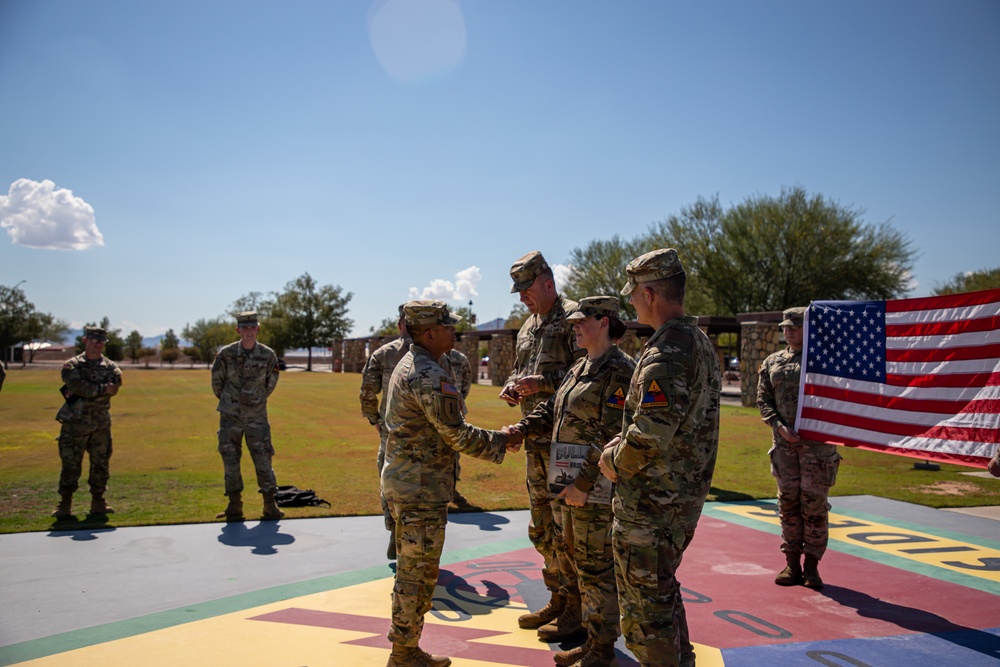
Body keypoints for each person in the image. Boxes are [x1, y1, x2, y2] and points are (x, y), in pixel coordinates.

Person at [598, 249, 721, 667]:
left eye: (632, 294)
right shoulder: (697, 341)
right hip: (676, 501)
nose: (630, 302)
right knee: (661, 594)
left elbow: (648, 437)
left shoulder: (667, 352)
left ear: (649, 293)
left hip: (653, 504)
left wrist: (612, 460)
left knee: (647, 610)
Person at [382, 300, 519, 667]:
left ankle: (405, 649)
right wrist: (502, 441)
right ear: (429, 334)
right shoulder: (427, 373)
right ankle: (404, 654)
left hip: (411, 484)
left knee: (417, 573)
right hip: (419, 490)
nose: (454, 331)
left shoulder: (422, 363)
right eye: (447, 326)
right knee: (417, 577)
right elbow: (456, 435)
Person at [507, 296, 635, 666]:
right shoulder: (581, 365)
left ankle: (601, 647)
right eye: (574, 321)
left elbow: (613, 435)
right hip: (566, 477)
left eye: (582, 321)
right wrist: (521, 428)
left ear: (605, 323)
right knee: (575, 560)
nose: (574, 326)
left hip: (593, 485)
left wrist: (583, 483)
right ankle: (583, 629)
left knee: (596, 568)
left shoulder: (619, 370)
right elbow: (552, 408)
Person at [500, 250, 583, 636]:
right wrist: (514, 386)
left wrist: (543, 384)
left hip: (567, 443)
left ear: (548, 282)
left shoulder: (575, 319)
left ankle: (578, 610)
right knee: (543, 528)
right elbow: (522, 370)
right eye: (517, 291)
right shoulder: (528, 326)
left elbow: (590, 373)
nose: (521, 297)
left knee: (570, 530)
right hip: (536, 441)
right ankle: (559, 597)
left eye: (526, 288)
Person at [757, 306, 842, 590]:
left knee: (814, 507)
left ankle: (812, 566)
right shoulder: (772, 362)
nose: (788, 331)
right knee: (788, 505)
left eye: (794, 326)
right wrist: (779, 426)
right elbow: (763, 400)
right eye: (785, 327)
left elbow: (839, 398)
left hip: (817, 451)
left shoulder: (825, 362)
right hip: (785, 447)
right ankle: (792, 563)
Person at [211, 311, 284, 522]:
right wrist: (232, 402)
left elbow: (271, 382)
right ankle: (234, 506)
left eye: (253, 328)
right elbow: (217, 382)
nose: (249, 332)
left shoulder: (268, 355)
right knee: (230, 461)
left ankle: (270, 506)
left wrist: (255, 399)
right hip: (230, 417)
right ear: (238, 330)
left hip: (257, 417)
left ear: (258, 329)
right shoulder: (226, 354)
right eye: (245, 328)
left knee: (263, 460)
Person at [52, 326, 123, 518]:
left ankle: (98, 502)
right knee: (70, 464)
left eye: (101, 341)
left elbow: (114, 386)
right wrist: (101, 389)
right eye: (93, 340)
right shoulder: (72, 364)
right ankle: (64, 504)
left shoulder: (111, 366)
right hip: (74, 424)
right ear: (85, 341)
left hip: (100, 424)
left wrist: (89, 390)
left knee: (100, 464)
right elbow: (75, 386)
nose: (97, 343)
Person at [360, 305, 413, 557]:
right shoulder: (384, 355)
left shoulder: (438, 354)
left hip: (406, 432)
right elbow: (367, 390)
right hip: (392, 432)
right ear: (400, 325)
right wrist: (375, 420)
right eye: (407, 322)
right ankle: (395, 532)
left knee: (391, 481)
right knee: (390, 482)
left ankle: (402, 535)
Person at [440, 346, 475, 510]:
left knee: (454, 452)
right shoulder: (430, 356)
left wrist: (459, 399)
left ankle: (452, 490)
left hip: (455, 411)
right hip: (437, 411)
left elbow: (467, 381)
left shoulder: (460, 359)